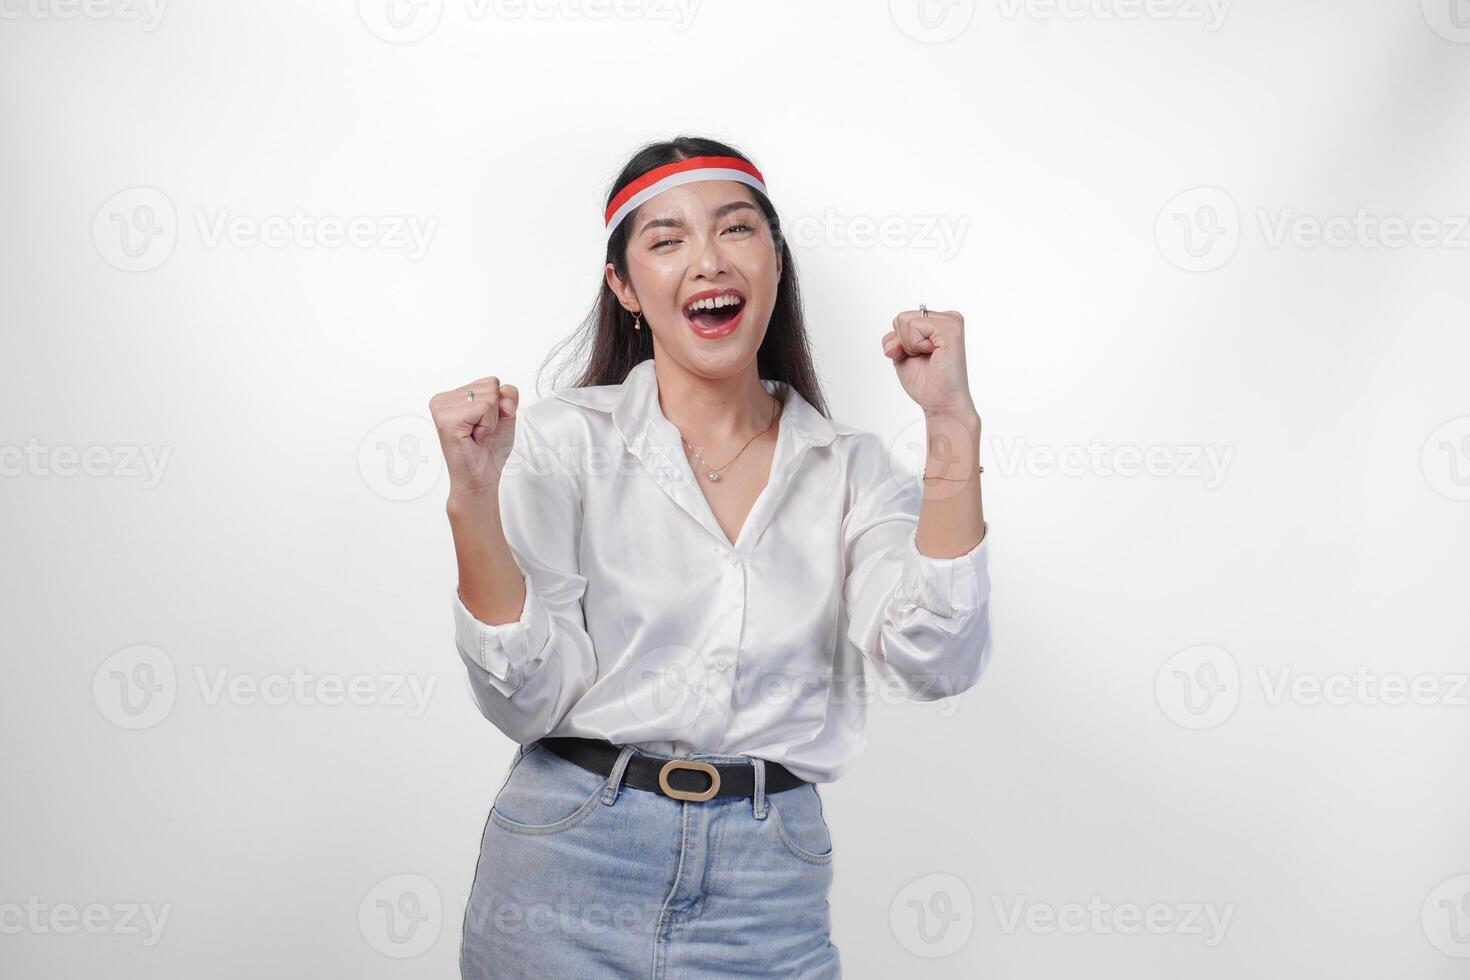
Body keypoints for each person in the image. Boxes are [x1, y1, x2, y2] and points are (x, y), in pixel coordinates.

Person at [429, 135, 993, 979]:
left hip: (767, 886)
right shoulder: (559, 441)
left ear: (773, 260)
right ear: (624, 286)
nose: (707, 261)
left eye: (736, 230)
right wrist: (472, 498)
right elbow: (527, 698)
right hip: (570, 862)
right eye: (665, 241)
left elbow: (937, 659)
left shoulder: (852, 469)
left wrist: (950, 423)